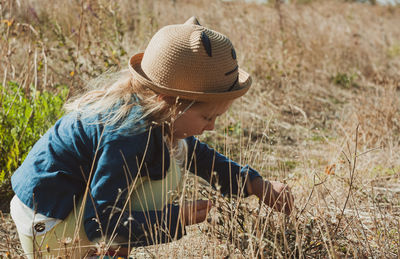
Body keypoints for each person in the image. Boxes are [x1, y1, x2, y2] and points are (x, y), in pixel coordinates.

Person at [10, 17, 294, 258]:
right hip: (48, 228)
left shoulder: (150, 114)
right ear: (167, 101)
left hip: (53, 212)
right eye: (208, 118)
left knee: (175, 152)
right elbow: (101, 223)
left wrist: (257, 184)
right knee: (167, 173)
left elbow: (200, 156)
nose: (211, 128)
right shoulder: (129, 134)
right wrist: (176, 217)